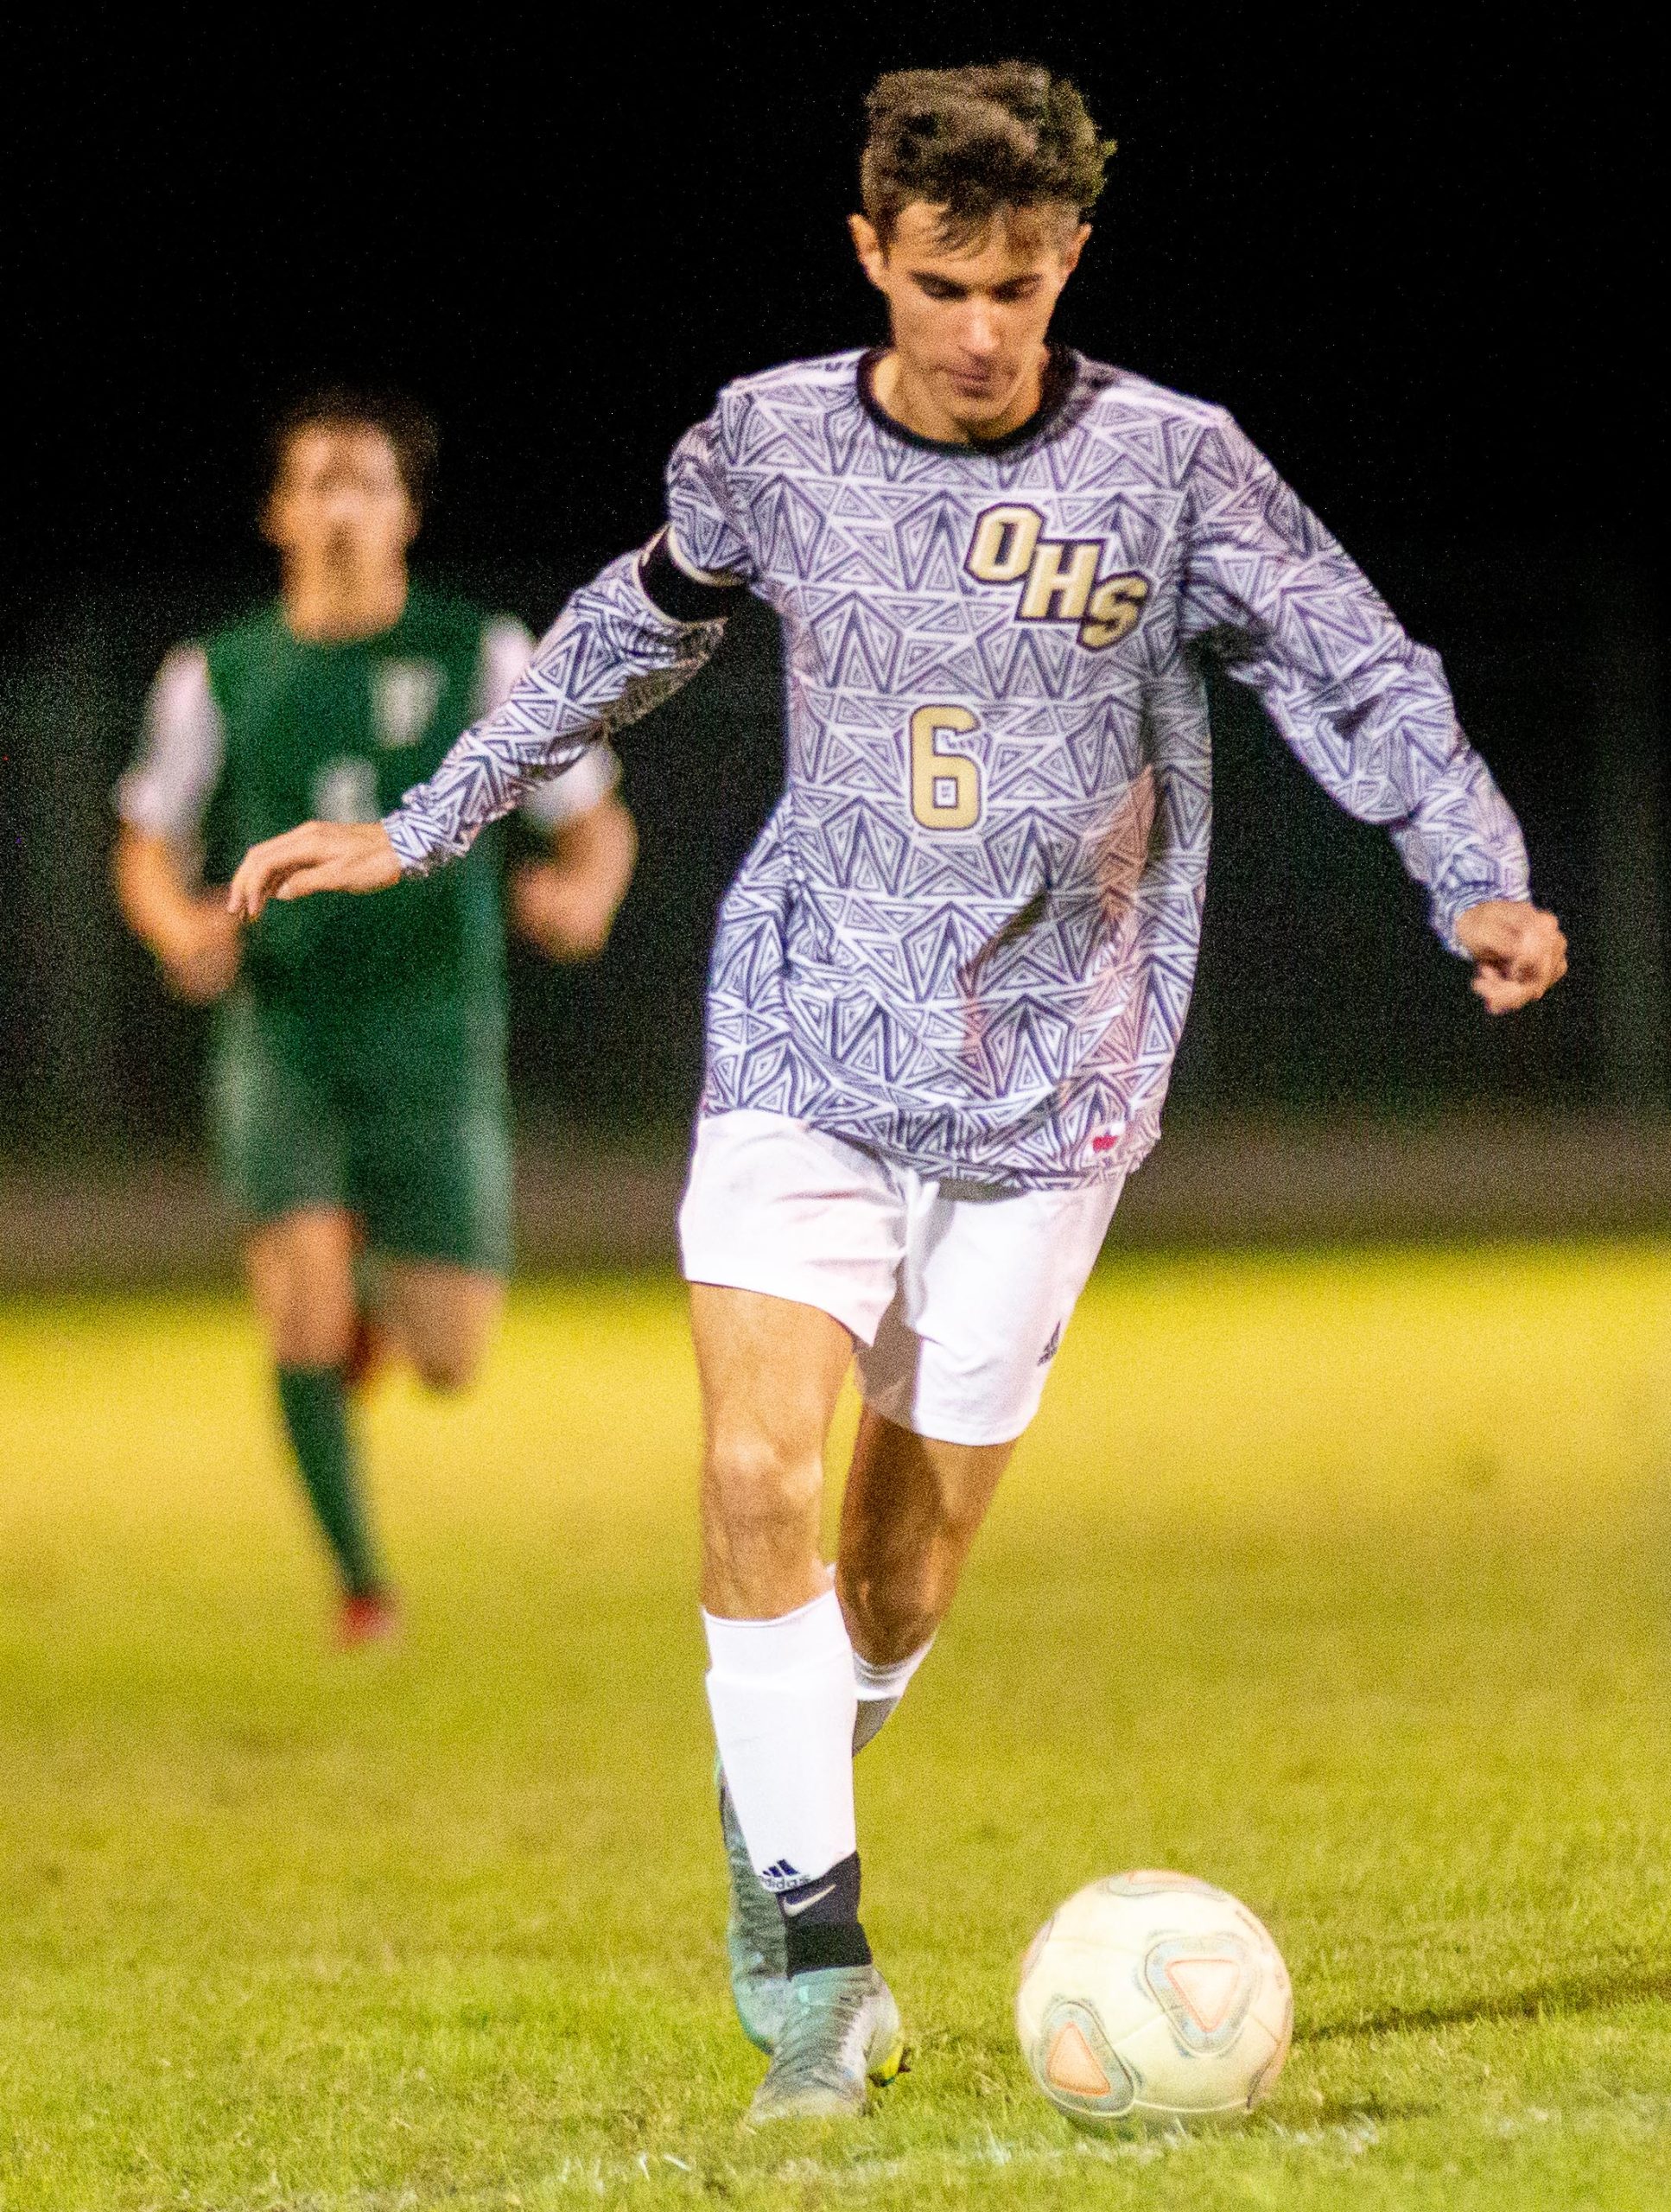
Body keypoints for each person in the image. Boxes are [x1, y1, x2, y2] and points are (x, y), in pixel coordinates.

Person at [226, 67, 1566, 2112]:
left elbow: (1351, 663)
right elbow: (630, 622)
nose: (977, 331)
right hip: (803, 1036)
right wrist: (432, 816)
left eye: (1018, 287)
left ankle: (784, 1819)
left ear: (1069, 265)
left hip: (1056, 1071)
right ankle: (814, 1975)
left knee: (892, 1570)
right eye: (941, 282)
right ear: (869, 254)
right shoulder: (767, 439)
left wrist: (1468, 864)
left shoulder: (1171, 466)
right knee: (755, 1469)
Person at [116, 390, 637, 1645]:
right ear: (278, 513)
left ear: (406, 511)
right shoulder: (221, 671)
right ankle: (363, 1586)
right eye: (318, 484)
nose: (343, 508)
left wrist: (585, 893)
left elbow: (596, 819)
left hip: (436, 1035)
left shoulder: (483, 651)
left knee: (449, 1358)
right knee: (293, 1309)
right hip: (285, 1030)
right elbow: (147, 839)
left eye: (368, 484)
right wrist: (173, 924)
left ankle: (356, 1288)